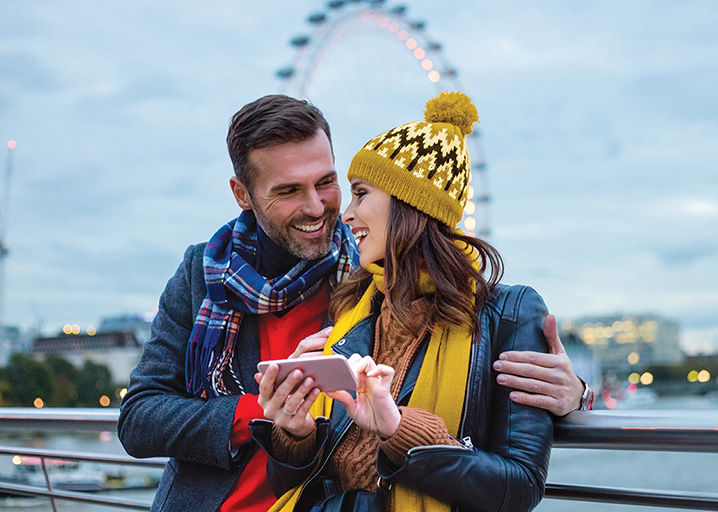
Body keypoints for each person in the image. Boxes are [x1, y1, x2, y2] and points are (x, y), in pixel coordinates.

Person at [117, 94, 587, 512]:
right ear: (243, 194)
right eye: (288, 190)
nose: (321, 208)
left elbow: (484, 357)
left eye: (327, 182)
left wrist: (575, 397)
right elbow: (139, 417)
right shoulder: (204, 274)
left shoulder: (364, 278)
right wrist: (265, 410)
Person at [252, 92, 553, 512]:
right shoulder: (353, 307)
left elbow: (519, 487)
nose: (346, 213)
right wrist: (294, 432)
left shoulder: (509, 313)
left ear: (409, 203)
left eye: (361, 194)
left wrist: (399, 428)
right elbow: (291, 483)